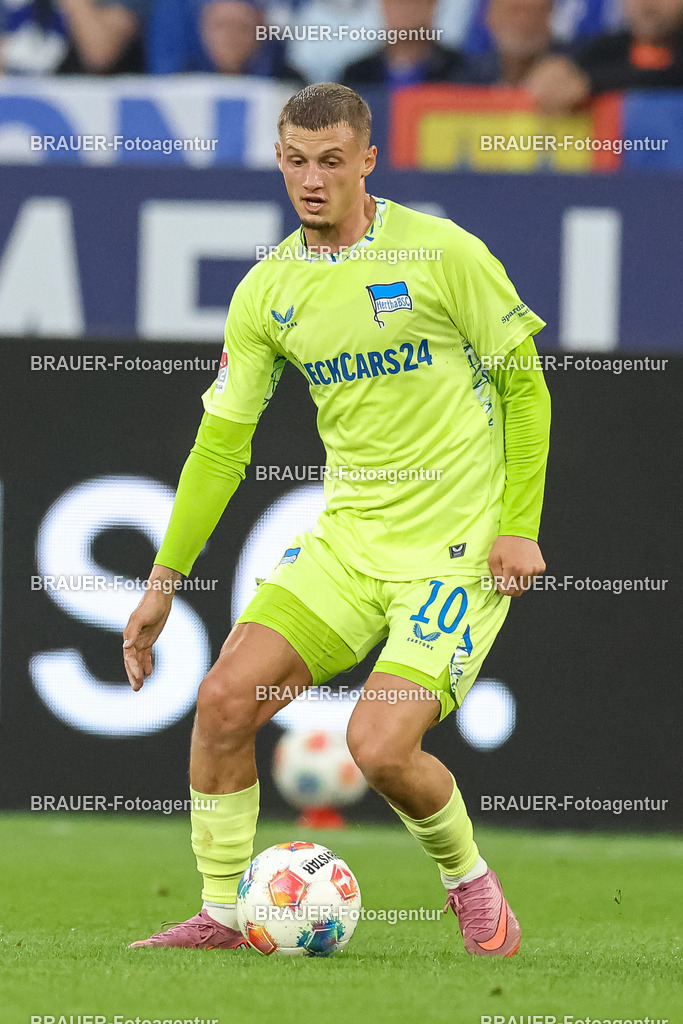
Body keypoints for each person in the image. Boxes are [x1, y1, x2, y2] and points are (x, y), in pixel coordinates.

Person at [123, 82, 551, 957]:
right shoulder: (268, 292)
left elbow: (523, 383)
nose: (312, 180)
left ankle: (471, 886)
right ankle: (222, 910)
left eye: (329, 160)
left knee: (379, 745)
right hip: (348, 544)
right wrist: (163, 585)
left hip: (454, 552)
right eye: (294, 161)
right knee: (224, 700)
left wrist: (518, 523)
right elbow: (219, 449)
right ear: (278, 162)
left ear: (366, 159)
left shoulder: (442, 253)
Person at [527, 0, 683, 113]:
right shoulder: (605, 48)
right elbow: (569, 74)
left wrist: (592, 83)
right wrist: (558, 75)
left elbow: (669, 76)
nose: (648, 4)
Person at [341, 0, 466, 87]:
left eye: (411, 2)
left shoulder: (463, 73)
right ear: (383, 5)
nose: (403, 9)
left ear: (432, 5)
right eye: (395, 2)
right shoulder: (356, 77)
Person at [463, 0, 567, 87]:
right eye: (514, 11)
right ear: (491, 16)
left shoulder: (573, 65)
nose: (525, 22)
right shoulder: (463, 74)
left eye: (536, 12)